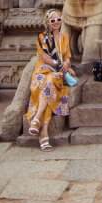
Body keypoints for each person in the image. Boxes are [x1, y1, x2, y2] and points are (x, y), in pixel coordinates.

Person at [24, 9, 76, 151]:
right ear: (48, 22)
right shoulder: (42, 37)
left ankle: (37, 121)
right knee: (48, 82)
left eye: (58, 19)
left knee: (49, 84)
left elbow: (67, 57)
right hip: (43, 71)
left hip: (56, 74)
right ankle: (43, 131)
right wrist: (60, 65)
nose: (56, 22)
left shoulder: (64, 37)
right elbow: (45, 58)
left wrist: (66, 64)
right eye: (52, 20)